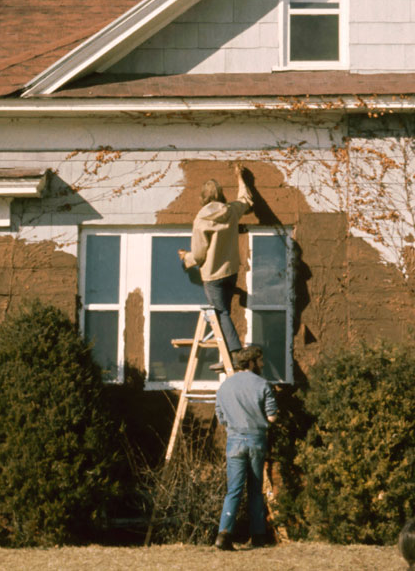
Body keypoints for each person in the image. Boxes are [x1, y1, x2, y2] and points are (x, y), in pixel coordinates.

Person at [179, 163, 252, 357]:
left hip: (213, 276)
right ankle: (227, 356)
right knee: (224, 313)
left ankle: (236, 354)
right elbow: (245, 200)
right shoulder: (231, 210)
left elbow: (200, 254)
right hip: (231, 272)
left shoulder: (201, 220)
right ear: (220, 195)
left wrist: (186, 258)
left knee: (221, 314)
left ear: (203, 197)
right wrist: (240, 178)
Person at [213, 345, 277, 551]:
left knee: (234, 490)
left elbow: (221, 417)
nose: (262, 364)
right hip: (256, 440)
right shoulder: (263, 384)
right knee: (255, 490)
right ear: (251, 362)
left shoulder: (224, 387)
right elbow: (272, 416)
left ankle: (224, 535)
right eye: (260, 360)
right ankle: (258, 536)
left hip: (234, 441)